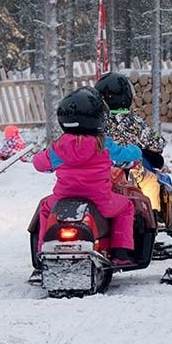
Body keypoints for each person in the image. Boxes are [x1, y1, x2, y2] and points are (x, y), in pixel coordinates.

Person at [30, 87, 143, 270]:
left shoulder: (59, 147)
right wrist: (137, 151)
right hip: (100, 200)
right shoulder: (103, 144)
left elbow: (39, 164)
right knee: (126, 207)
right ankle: (121, 252)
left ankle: (42, 250)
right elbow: (124, 154)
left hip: (63, 199)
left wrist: (41, 157)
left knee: (45, 208)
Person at [95, 72, 169, 213]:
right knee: (151, 182)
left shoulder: (98, 121)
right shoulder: (135, 121)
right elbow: (157, 143)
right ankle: (153, 215)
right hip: (132, 170)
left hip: (103, 171)